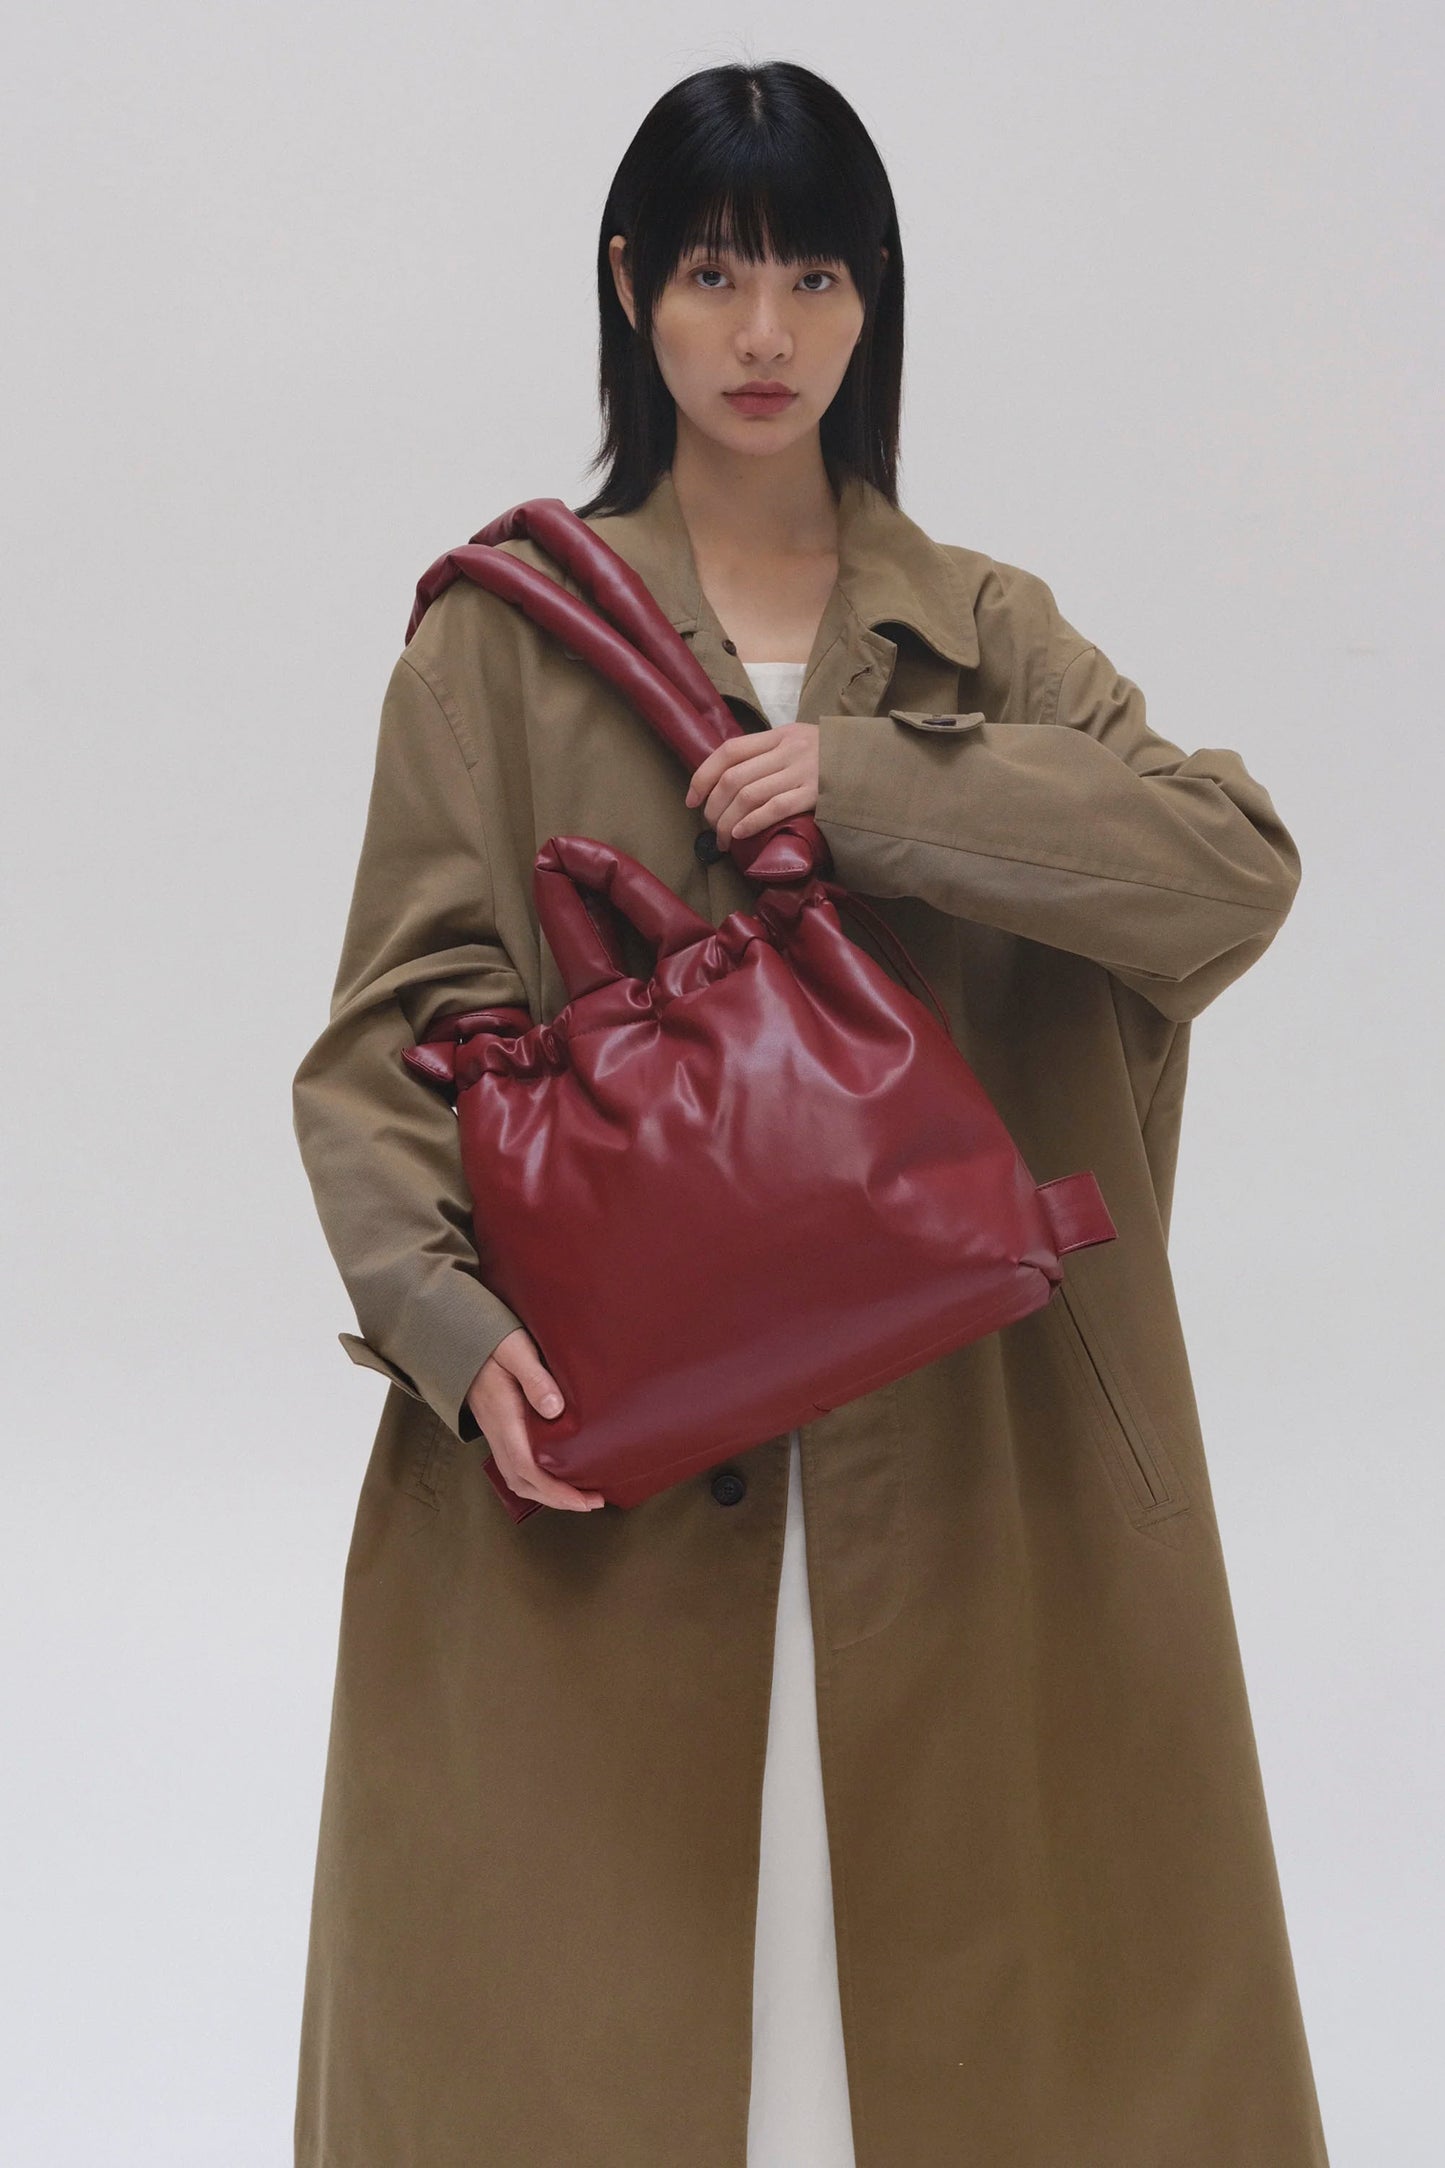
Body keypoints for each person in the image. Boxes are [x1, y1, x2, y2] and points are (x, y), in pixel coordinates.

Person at [289, 58, 1331, 2168]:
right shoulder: (498, 651)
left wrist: (887, 786)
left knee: (945, 2041)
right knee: (602, 2044)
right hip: (599, 1478)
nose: (764, 334)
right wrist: (450, 1328)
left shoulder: (980, 638)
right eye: (712, 272)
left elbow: (1226, 870)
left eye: (815, 275)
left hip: (968, 1489)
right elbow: (388, 1038)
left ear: (876, 307)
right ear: (631, 293)